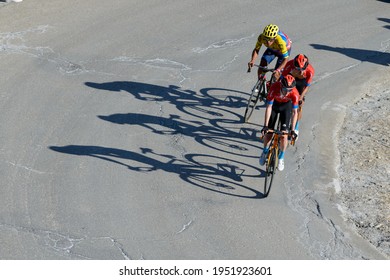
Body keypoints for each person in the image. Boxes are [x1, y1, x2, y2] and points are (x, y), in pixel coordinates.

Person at [259, 75, 299, 171]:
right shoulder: (274, 87)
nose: (287, 92)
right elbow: (268, 107)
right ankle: (264, 151)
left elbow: (294, 112)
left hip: (286, 107)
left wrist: (293, 130)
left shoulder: (295, 94)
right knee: (269, 133)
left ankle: (281, 157)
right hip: (275, 106)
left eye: (290, 90)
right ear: (281, 86)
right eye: (285, 90)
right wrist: (265, 125)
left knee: (284, 136)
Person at [281, 54, 315, 137]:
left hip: (301, 83)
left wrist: (300, 97)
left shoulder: (310, 71)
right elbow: (282, 80)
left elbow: (306, 87)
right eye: (298, 68)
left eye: (303, 69)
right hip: (291, 79)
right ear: (294, 65)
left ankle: (296, 126)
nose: (301, 71)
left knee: (299, 104)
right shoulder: (289, 64)